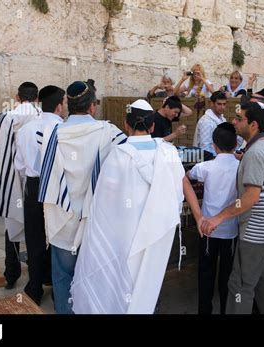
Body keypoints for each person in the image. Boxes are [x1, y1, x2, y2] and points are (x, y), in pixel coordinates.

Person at [70, 99, 202, 314]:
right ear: (152, 127)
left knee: (124, 280)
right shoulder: (168, 152)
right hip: (156, 233)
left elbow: (104, 202)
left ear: (126, 124)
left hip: (125, 234)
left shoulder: (118, 155)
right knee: (149, 279)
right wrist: (199, 217)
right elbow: (183, 182)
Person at [38, 80, 127, 314]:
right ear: (92, 107)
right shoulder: (108, 133)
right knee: (92, 280)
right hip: (94, 220)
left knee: (62, 278)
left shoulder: (52, 133)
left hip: (62, 220)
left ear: (67, 105)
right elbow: (129, 159)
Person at [201, 102, 264, 314]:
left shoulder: (255, 153)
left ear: (253, 124)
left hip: (255, 233)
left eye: (239, 119)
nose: (234, 122)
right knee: (262, 280)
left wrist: (218, 218)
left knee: (240, 285)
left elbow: (250, 198)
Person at [14, 85, 67, 305]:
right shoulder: (63, 129)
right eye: (64, 103)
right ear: (58, 106)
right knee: (57, 237)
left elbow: (19, 164)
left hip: (33, 187)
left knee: (34, 238)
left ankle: (34, 286)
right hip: (55, 187)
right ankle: (58, 287)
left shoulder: (26, 129)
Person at [0, 82, 41, 289]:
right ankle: (38, 274)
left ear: (17, 97)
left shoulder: (4, 119)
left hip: (11, 181)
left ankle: (11, 274)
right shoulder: (42, 117)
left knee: (11, 227)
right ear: (37, 97)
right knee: (37, 230)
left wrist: (0, 178)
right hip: (34, 181)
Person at [187, 122, 239, 314]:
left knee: (206, 274)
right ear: (235, 145)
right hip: (231, 230)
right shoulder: (241, 166)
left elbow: (188, 176)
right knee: (227, 276)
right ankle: (227, 309)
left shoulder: (205, 167)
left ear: (214, 145)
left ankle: (204, 310)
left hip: (208, 228)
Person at [193, 91, 227, 157]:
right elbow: (205, 148)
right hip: (207, 161)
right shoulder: (206, 121)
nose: (222, 107)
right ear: (211, 103)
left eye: (224, 104)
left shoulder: (223, 119)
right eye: (219, 104)